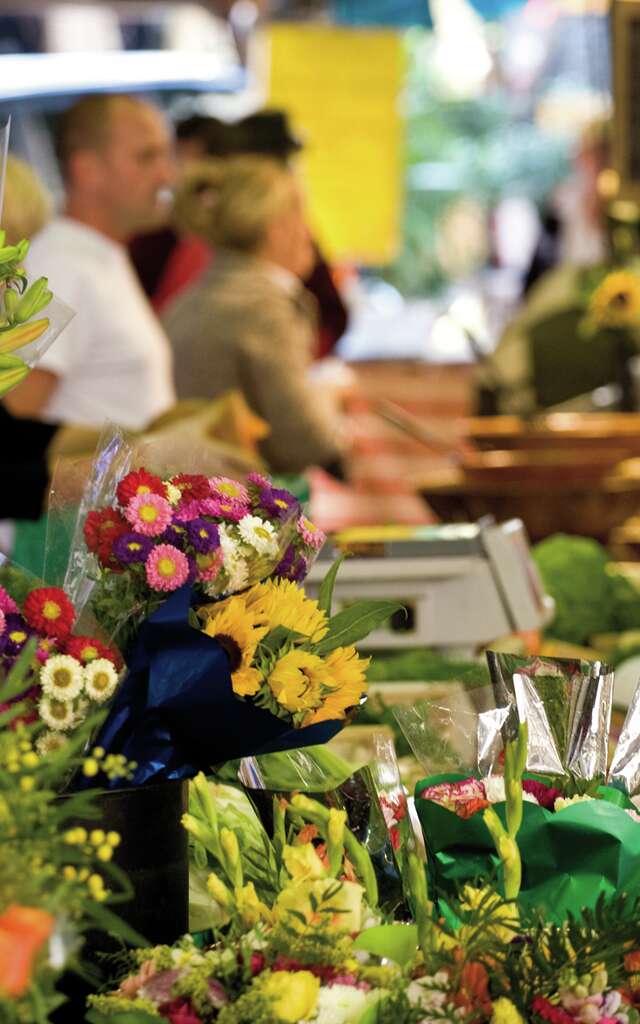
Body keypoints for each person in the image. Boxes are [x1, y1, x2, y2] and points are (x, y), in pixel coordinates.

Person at [162, 156, 346, 476]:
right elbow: (304, 440)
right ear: (277, 230)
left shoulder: (185, 303)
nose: (309, 233)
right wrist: (331, 390)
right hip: (247, 507)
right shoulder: (268, 309)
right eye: (302, 217)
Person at [4, 93, 176, 430]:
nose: (166, 176)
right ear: (88, 169)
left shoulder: (93, 255)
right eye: (146, 157)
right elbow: (17, 419)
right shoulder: (59, 264)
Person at [129, 109, 350, 356]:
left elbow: (332, 316)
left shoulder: (191, 241)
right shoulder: (174, 241)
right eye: (146, 158)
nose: (166, 175)